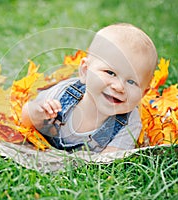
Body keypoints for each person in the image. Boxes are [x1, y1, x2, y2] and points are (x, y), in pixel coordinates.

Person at [22, 23, 158, 153]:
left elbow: (111, 160)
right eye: (110, 73)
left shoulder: (130, 123)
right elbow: (27, 114)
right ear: (85, 71)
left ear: (144, 92)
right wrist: (38, 113)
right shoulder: (65, 92)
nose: (118, 87)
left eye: (131, 81)